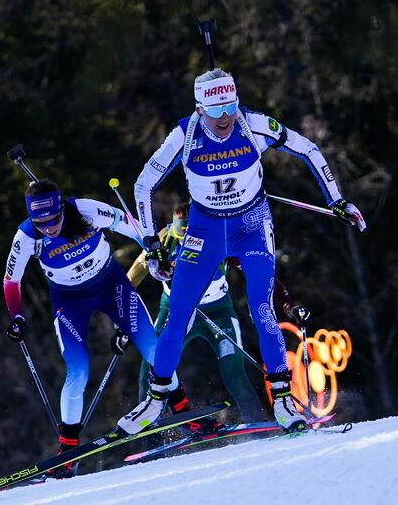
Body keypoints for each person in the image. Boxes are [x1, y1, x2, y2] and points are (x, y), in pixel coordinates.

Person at [116, 68, 366, 435]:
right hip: (205, 230)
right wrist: (151, 244)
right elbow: (142, 185)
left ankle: (282, 398)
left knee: (261, 307)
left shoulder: (254, 124)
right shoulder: (184, 135)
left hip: (251, 226)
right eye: (215, 111)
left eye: (230, 106)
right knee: (178, 313)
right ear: (200, 109)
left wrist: (338, 200)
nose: (224, 118)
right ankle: (156, 400)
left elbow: (309, 149)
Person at [3, 179, 184, 476]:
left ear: (62, 208)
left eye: (54, 220)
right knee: (78, 370)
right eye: (40, 223)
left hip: (111, 285)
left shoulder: (85, 210)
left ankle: (184, 412)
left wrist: (151, 247)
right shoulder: (26, 236)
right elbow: (11, 280)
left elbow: (129, 223)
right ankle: (68, 450)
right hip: (69, 301)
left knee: (153, 347)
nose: (48, 228)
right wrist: (17, 316)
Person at [128, 202, 264, 426]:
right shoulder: (165, 237)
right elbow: (137, 269)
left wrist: (178, 272)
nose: (183, 241)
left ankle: (258, 425)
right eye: (179, 236)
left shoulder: (217, 233)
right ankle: (150, 435)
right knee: (151, 367)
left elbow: (220, 270)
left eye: (187, 236)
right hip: (174, 311)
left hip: (218, 311)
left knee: (233, 370)